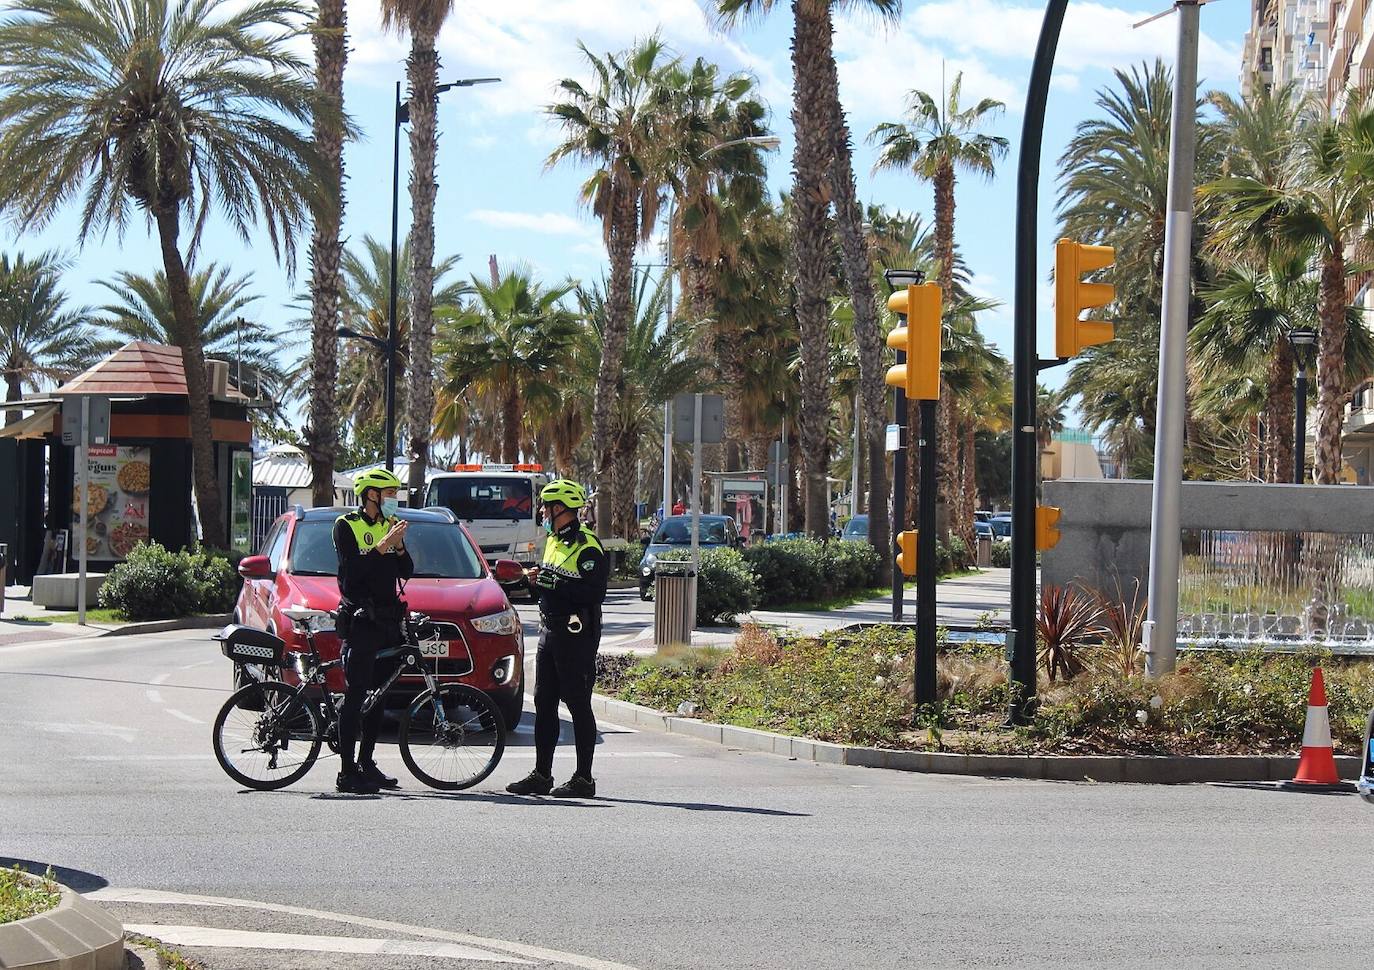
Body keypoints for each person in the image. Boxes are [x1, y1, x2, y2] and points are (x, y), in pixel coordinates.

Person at [507, 479, 609, 798]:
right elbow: (553, 582)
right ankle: (542, 774)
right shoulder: (553, 540)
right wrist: (538, 580)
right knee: (544, 703)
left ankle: (584, 779)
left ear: (561, 509)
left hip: (576, 633)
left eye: (547, 507)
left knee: (577, 703)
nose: (543, 512)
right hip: (549, 630)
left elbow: (594, 592)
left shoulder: (587, 545)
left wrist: (555, 583)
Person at [332, 468, 412, 795]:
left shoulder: (388, 527)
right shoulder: (346, 526)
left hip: (387, 619)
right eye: (388, 494)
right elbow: (352, 575)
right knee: (357, 693)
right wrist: (382, 547)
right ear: (371, 495)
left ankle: (367, 762)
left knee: (380, 694)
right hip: (361, 619)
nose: (393, 499)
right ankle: (347, 772)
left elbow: (406, 570)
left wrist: (400, 546)